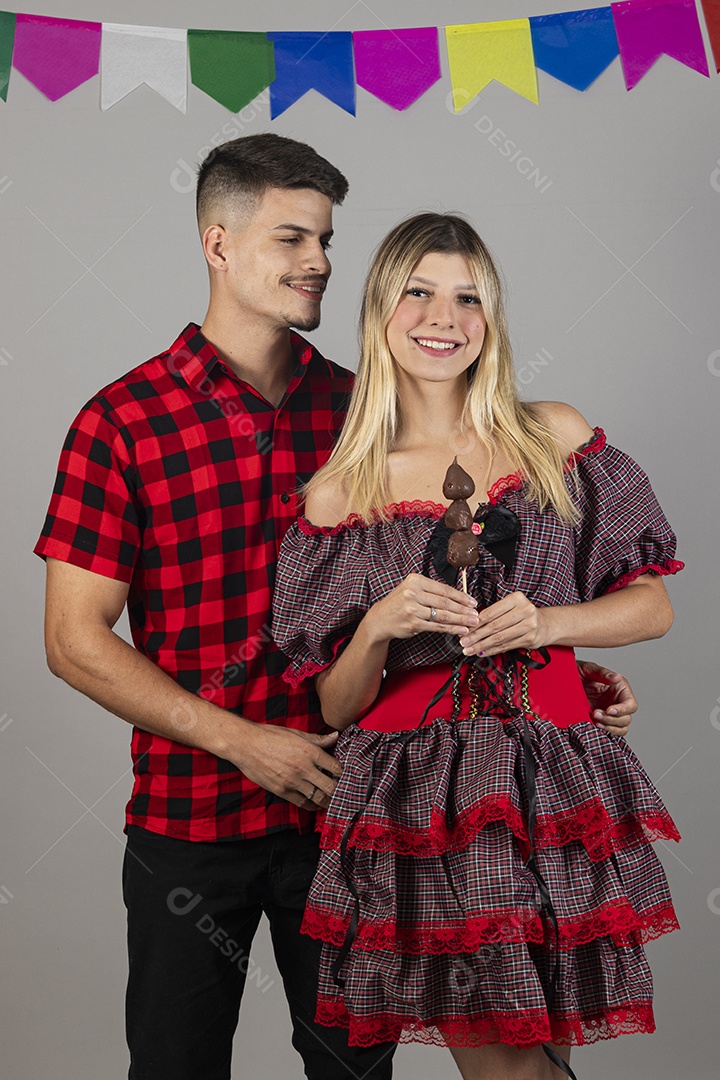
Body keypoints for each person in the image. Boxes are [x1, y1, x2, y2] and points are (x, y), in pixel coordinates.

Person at [35, 135, 635, 1080]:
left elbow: (466, 599)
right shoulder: (123, 421)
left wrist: (560, 667)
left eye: (326, 238)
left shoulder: (367, 416)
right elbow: (72, 643)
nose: (319, 260)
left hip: (354, 819)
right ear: (218, 244)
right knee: (174, 1066)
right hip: (194, 821)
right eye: (291, 238)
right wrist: (244, 740)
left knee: (357, 1075)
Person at [271, 212, 683, 1080]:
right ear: (381, 309)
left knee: (546, 1053)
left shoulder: (553, 440)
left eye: (467, 298)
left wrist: (551, 624)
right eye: (417, 292)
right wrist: (380, 624)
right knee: (509, 1068)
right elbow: (337, 707)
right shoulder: (341, 492)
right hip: (424, 804)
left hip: (554, 779)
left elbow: (651, 608)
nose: (443, 317)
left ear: (490, 318)